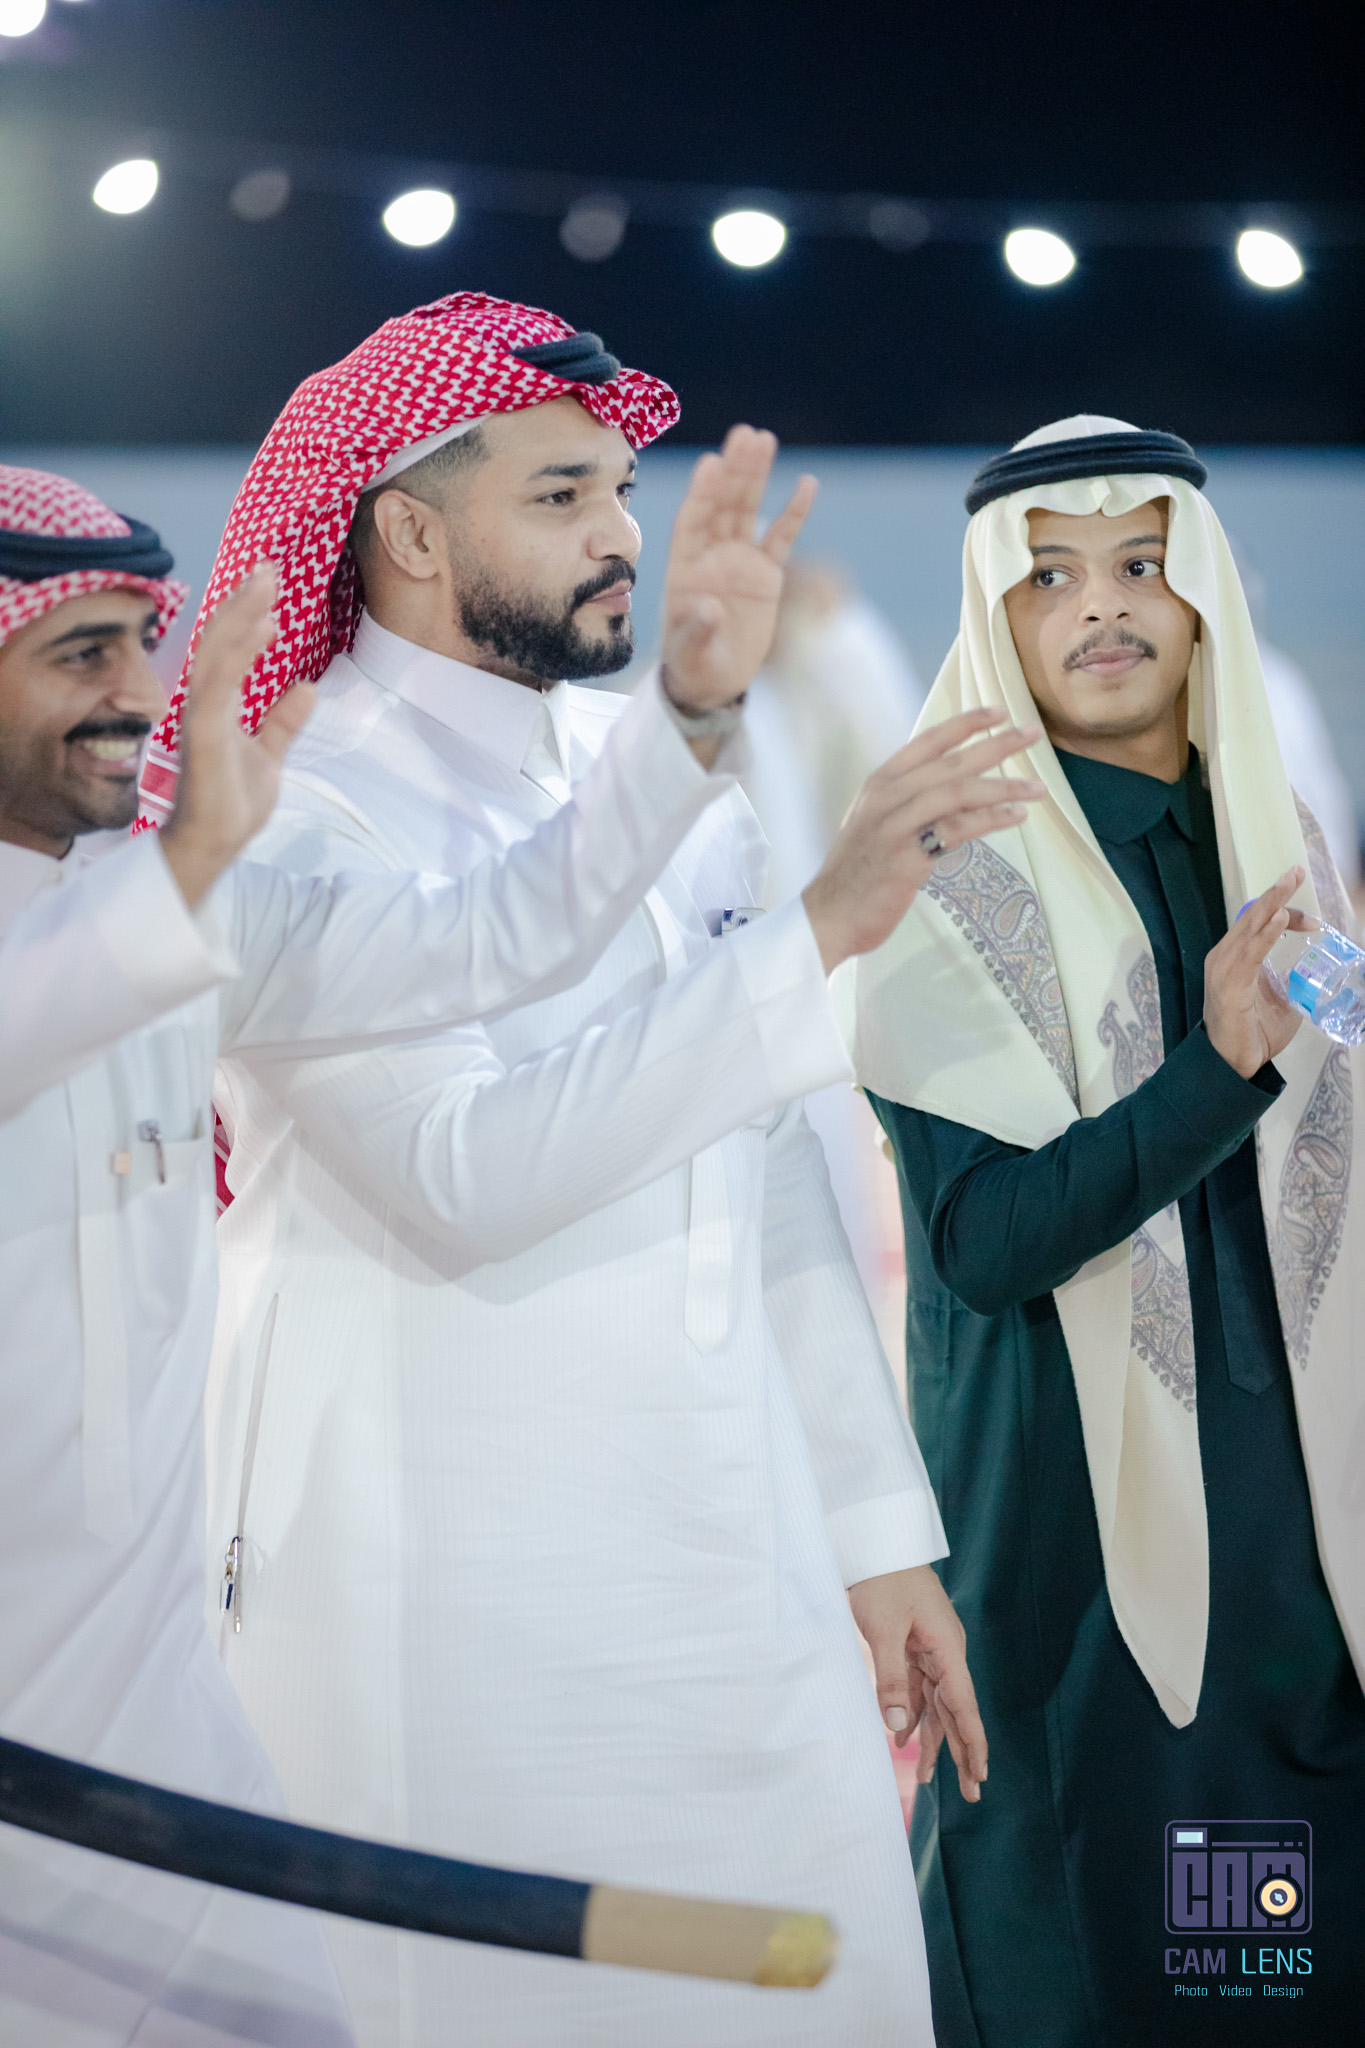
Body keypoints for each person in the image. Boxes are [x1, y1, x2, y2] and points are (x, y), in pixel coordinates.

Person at [189, 291, 1037, 2047]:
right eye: (561, 495)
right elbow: (464, 1174)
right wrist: (807, 937)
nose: (621, 537)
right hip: (463, 1569)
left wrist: (875, 1534)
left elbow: (769, 1163)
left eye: (623, 493)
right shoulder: (300, 807)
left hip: (737, 1545)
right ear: (413, 535)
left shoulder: (651, 774)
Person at [0, 439, 836, 2045]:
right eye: (80, 654)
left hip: (158, 1735)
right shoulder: (162, 908)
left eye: (143, 646)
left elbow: (499, 930)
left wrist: (684, 719)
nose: (138, 694)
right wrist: (188, 868)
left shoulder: (188, 909)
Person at [846, 415, 1365, 2047]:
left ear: (1200, 595)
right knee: (1089, 1967)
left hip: (1301, 1546)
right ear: (993, 615)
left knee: (1274, 1972)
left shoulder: (1278, 853)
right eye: (1050, 576)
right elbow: (984, 1244)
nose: (1101, 606)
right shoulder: (943, 882)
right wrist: (1214, 1067)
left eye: (1139, 563)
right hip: (1069, 1555)